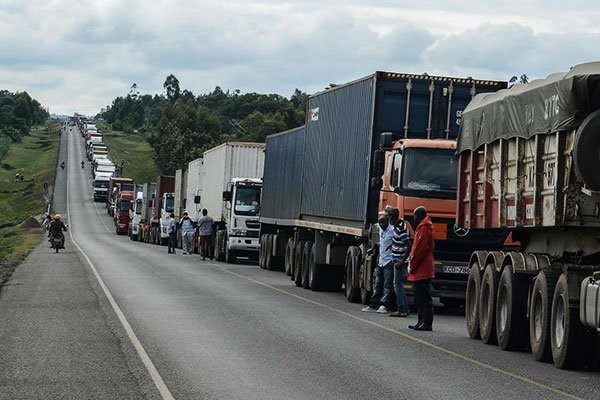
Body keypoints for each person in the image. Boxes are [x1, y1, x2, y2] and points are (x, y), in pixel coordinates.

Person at [407, 206, 435, 331]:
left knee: (423, 297)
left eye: (414, 215)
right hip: (421, 267)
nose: (413, 218)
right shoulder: (422, 228)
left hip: (422, 268)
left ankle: (427, 323)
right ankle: (420, 321)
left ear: (419, 216)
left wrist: (412, 265)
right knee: (419, 296)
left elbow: (420, 251)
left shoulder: (424, 229)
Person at [362, 215, 395, 314]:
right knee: (377, 284)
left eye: (383, 223)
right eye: (380, 223)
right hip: (381, 261)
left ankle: (384, 305)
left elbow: (398, 242)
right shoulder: (381, 230)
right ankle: (373, 304)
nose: (381, 225)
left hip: (389, 261)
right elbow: (381, 243)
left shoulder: (392, 230)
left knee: (387, 285)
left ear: (388, 222)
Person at [388, 208, 411, 318]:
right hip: (396, 258)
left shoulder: (401, 228)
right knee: (399, 284)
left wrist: (402, 261)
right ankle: (405, 309)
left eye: (389, 218)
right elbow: (398, 241)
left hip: (399, 260)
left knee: (397, 284)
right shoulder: (397, 226)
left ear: (393, 218)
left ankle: (401, 309)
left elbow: (408, 245)